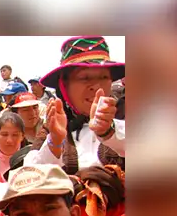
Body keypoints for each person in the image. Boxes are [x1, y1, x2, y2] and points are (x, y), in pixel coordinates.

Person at [28, 36, 126, 173]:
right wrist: (55, 142)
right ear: (64, 86)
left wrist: (109, 132)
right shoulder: (52, 127)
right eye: (84, 78)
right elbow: (29, 173)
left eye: (104, 77)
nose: (96, 86)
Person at [0, 111, 27, 176]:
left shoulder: (30, 157)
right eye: (4, 135)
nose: (9, 140)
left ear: (22, 136)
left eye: (15, 135)